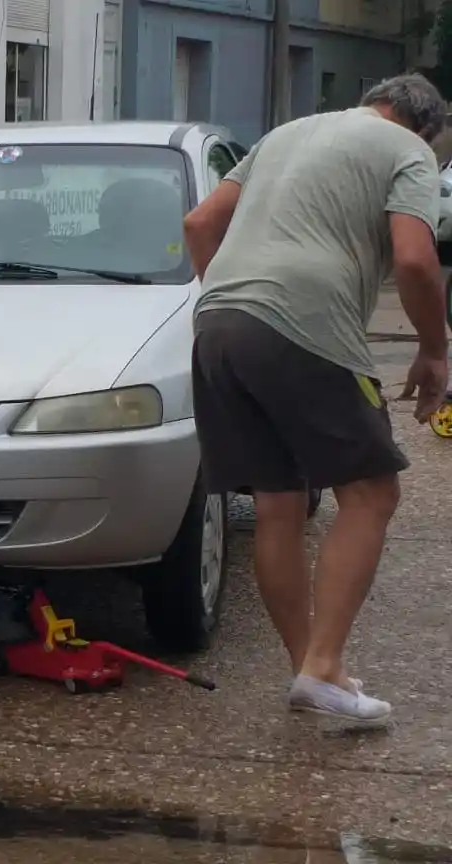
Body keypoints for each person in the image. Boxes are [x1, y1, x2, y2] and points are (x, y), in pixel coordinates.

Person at [182, 73, 448, 723]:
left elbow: (198, 222)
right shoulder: (406, 150)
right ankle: (324, 665)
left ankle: (313, 669)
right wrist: (435, 348)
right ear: (423, 126)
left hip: (217, 325)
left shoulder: (283, 135)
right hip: (303, 325)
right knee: (372, 492)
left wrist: (239, 294)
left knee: (278, 504)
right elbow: (415, 260)